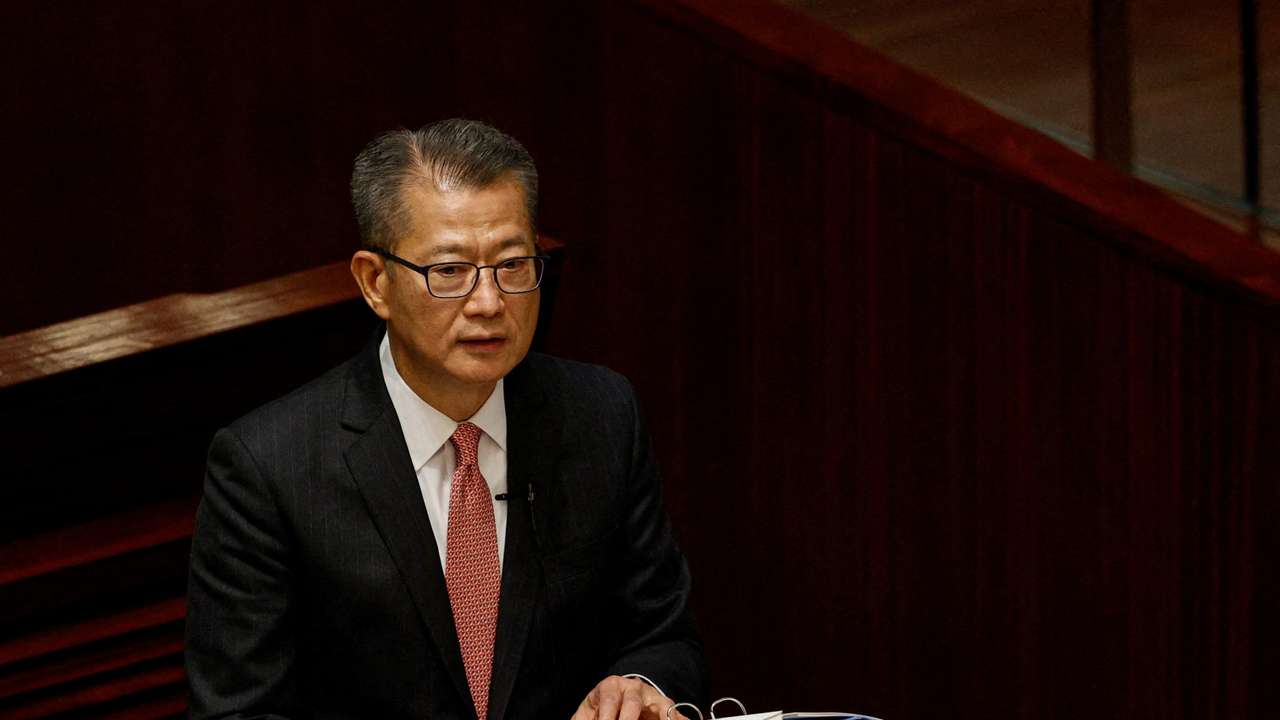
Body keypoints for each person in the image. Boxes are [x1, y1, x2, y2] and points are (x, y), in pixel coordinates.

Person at [185, 119, 707, 719]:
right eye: (449, 271)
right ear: (375, 282)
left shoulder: (601, 416)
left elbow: (668, 637)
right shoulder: (269, 466)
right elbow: (238, 713)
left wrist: (641, 681)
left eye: (513, 265)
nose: (488, 303)